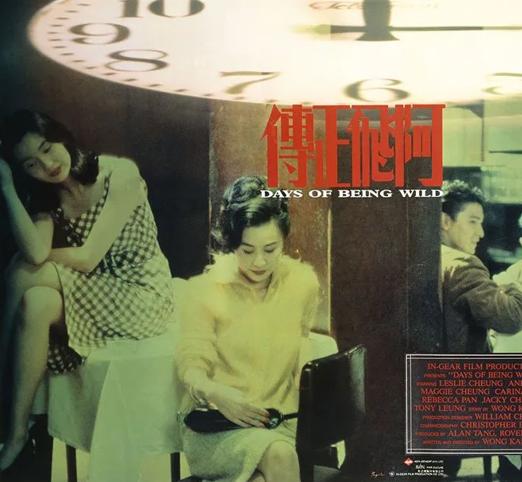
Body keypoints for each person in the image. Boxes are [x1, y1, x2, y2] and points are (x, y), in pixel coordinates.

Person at [0, 109, 173, 471]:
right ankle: (17, 432)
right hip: (99, 294)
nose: (47, 165)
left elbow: (88, 257)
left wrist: (30, 261)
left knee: (21, 275)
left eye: (47, 148)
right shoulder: (48, 201)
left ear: (61, 136)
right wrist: (6, 188)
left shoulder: (119, 173)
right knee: (36, 301)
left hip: (143, 295)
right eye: (31, 164)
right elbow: (36, 252)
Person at [176, 175, 320, 482]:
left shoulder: (302, 284)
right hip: (218, 426)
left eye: (270, 249)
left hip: (278, 422)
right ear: (232, 244)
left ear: (284, 241)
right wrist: (216, 393)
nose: (259, 262)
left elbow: (302, 347)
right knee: (280, 457)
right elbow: (191, 367)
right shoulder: (205, 291)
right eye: (247, 250)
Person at [439, 180, 522, 479]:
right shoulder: (462, 265)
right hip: (462, 395)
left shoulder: (427, 256)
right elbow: (512, 318)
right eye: (473, 221)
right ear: (445, 221)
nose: (480, 232)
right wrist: (514, 287)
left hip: (430, 386)